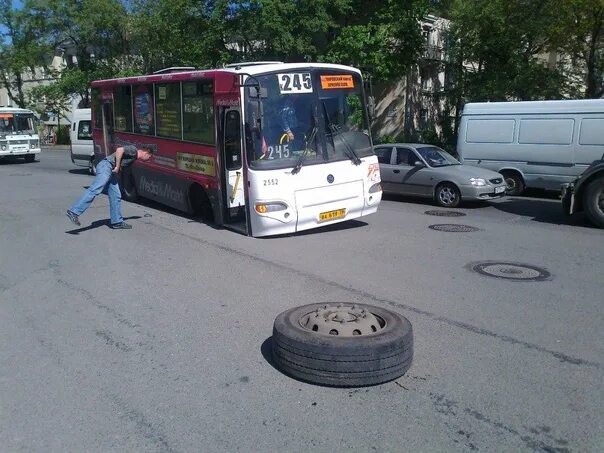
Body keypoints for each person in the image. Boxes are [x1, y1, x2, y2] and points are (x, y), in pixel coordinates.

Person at [66, 145, 153, 229]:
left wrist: (118, 172)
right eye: (149, 157)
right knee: (95, 189)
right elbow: (119, 150)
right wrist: (118, 166)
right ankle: (73, 212)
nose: (149, 159)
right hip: (106, 166)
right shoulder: (133, 150)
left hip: (111, 171)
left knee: (116, 195)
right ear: (146, 153)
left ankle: (117, 222)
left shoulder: (133, 158)